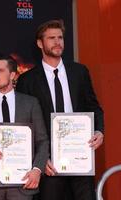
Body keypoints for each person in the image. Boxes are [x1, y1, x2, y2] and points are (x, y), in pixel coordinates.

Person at [16, 19, 104, 200]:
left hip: (81, 157)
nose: (57, 42)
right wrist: (39, 160)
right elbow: (24, 125)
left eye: (60, 38)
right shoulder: (27, 80)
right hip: (50, 163)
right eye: (51, 38)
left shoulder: (79, 72)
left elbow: (93, 107)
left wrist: (99, 131)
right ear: (40, 43)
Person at [0, 54, 49, 200]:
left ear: (12, 75)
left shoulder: (30, 103)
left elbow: (42, 141)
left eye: (0, 70)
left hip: (22, 182)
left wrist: (37, 170)